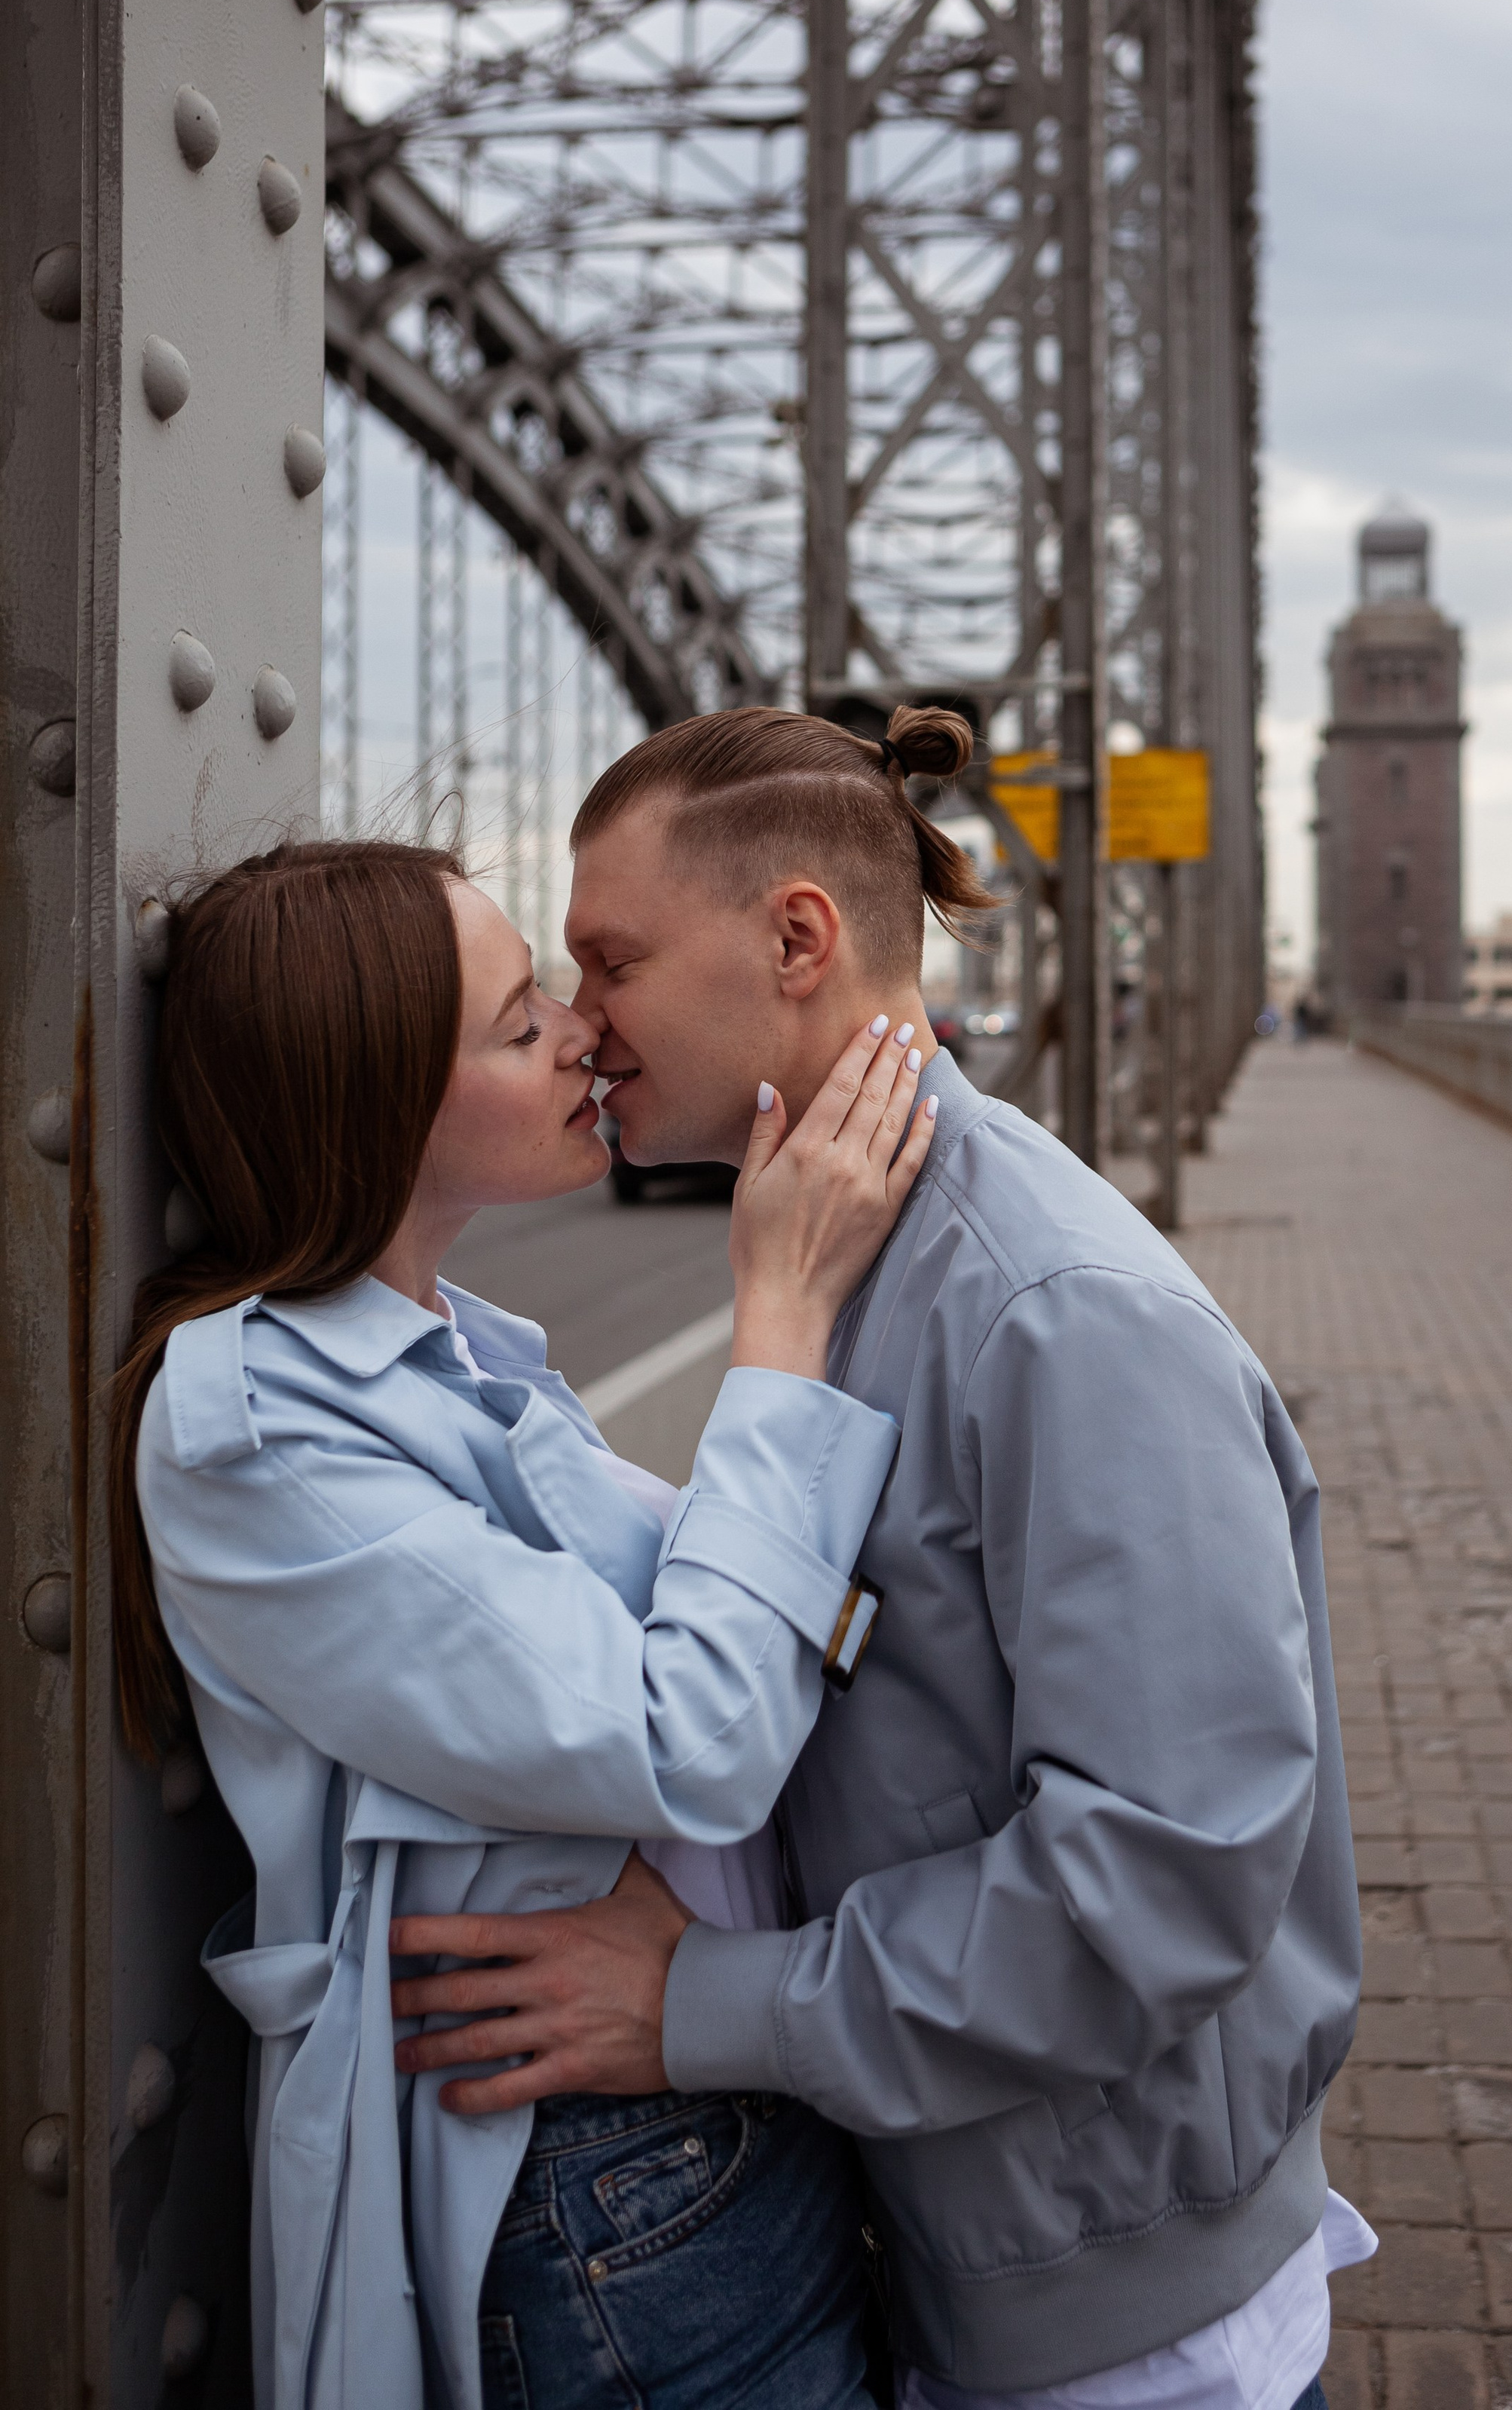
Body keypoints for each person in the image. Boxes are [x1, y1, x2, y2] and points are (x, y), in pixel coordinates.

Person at [393, 709, 1370, 2410]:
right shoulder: (847, 1243)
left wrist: (701, 2005)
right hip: (978, 2236)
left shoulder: (1057, 1316)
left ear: (795, 939)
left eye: (612, 959)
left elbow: (1159, 1880)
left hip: (1117, 2317)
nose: (583, 1019)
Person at [121, 836, 938, 2410]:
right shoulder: (255, 1440)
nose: (581, 1032)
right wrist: (775, 1327)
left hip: (691, 2109)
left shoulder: (462, 1359)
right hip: (599, 2178)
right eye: (517, 1025)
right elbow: (687, 1740)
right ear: (371, 1108)